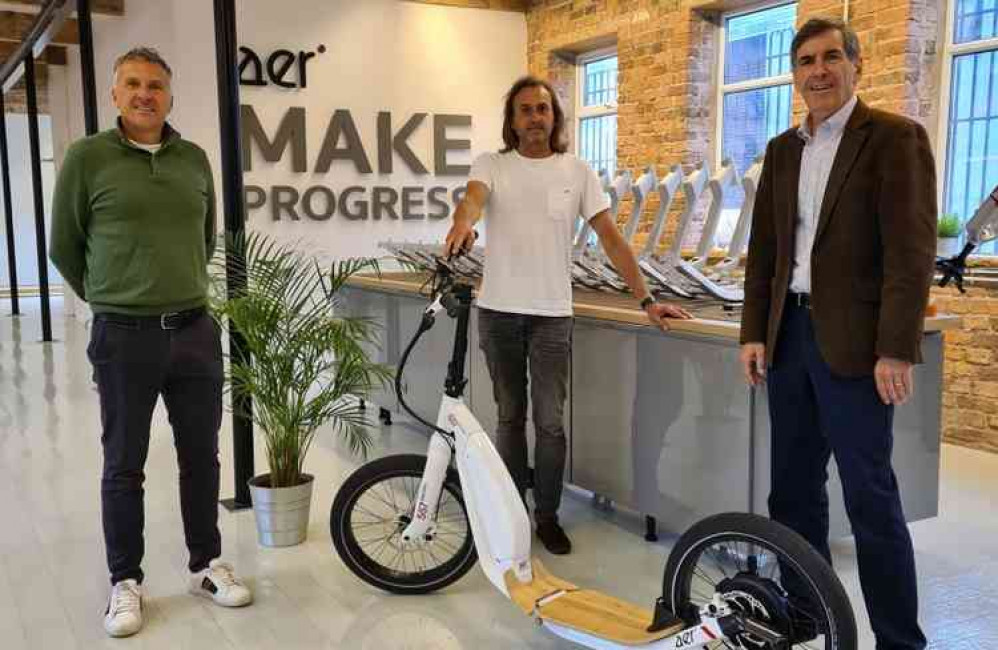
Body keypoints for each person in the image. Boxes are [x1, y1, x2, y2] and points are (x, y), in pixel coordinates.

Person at [739, 18, 934, 649]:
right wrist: (754, 333)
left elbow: (910, 253)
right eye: (805, 61)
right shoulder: (781, 149)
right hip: (789, 336)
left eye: (830, 58)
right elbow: (765, 252)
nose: (817, 71)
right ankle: (805, 618)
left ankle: (900, 640)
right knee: (791, 494)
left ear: (855, 64)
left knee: (870, 498)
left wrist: (896, 347)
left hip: (856, 346)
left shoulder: (894, 139)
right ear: (794, 74)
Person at [50, 47, 252, 638]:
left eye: (156, 85)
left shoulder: (194, 159)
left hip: (193, 330)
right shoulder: (88, 158)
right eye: (133, 84)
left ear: (170, 94)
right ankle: (125, 583)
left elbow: (206, 232)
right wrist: (115, 296)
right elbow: (65, 244)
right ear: (115, 95)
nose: (145, 94)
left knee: (202, 457)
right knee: (124, 465)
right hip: (123, 336)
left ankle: (204, 565)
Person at [444, 76, 692, 555]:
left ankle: (548, 516)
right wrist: (461, 223)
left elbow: (611, 239)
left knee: (551, 423)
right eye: (525, 110)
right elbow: (472, 200)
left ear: (554, 117)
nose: (535, 117)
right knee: (509, 418)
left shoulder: (577, 171)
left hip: (552, 317)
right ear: (511, 120)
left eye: (543, 108)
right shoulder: (492, 164)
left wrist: (646, 298)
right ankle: (513, 509)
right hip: (498, 313)